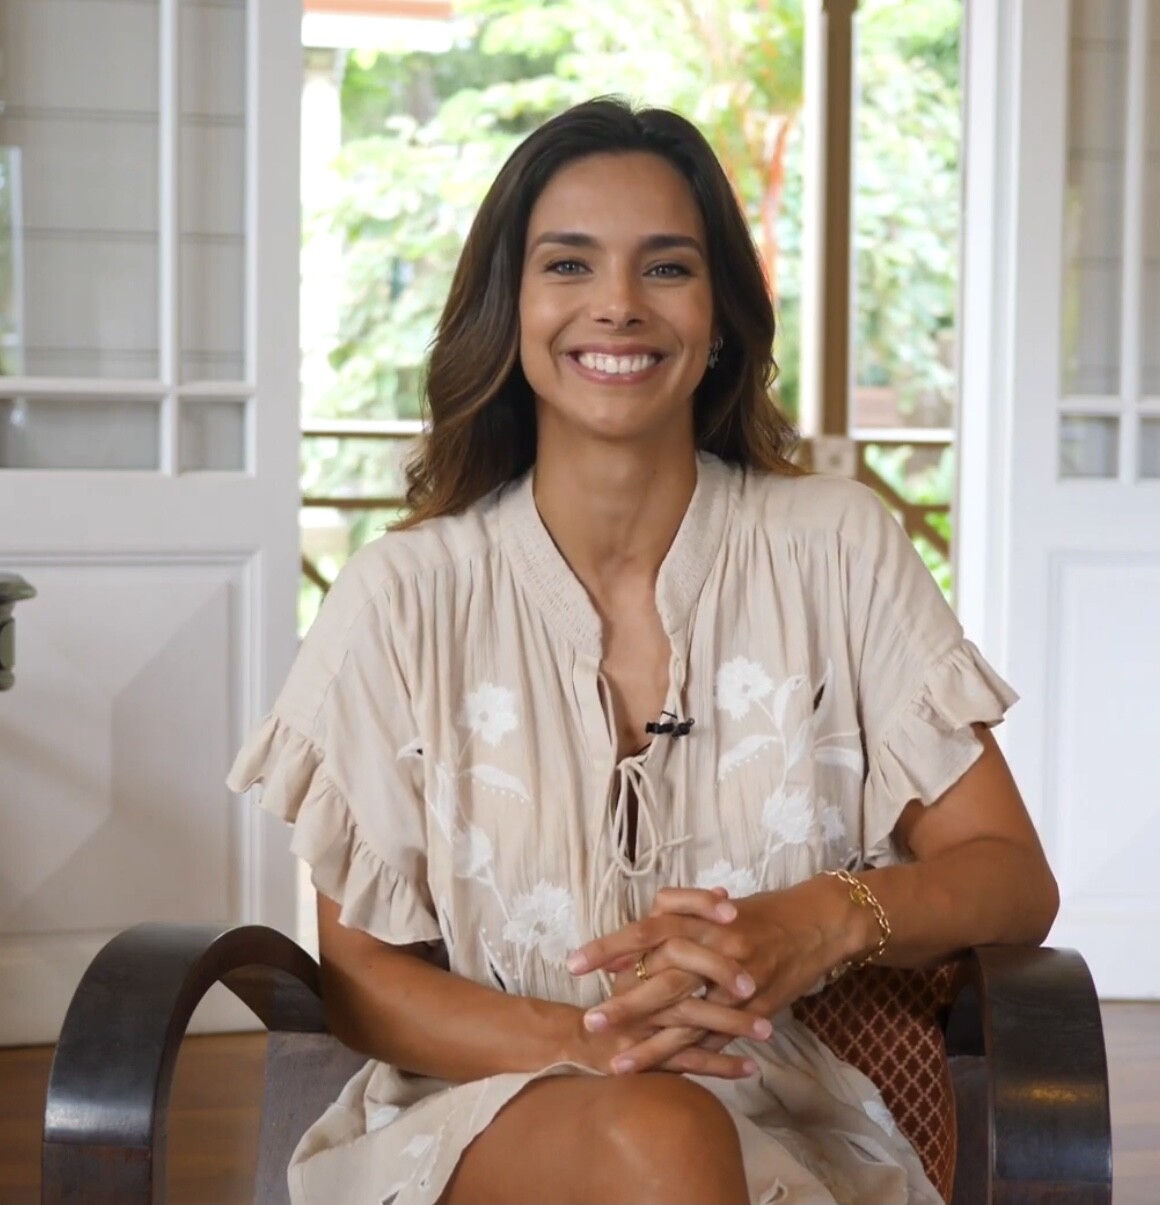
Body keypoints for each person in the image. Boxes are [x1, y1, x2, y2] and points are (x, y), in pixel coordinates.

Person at [228, 96, 1059, 1205]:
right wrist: (589, 1044)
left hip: (788, 1128)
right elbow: (364, 976)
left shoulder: (836, 547)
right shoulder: (403, 595)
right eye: (568, 265)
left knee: (679, 1136)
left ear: (718, 318)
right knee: (660, 1133)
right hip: (481, 1115)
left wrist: (817, 919)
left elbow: (1010, 876)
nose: (617, 304)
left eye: (665, 268)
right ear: (511, 311)